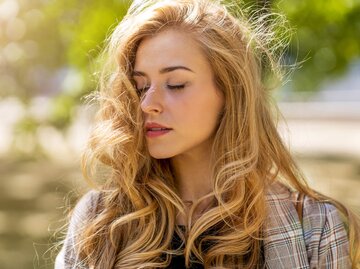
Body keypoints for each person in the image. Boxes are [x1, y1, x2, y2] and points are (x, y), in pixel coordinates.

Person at [55, 0, 360, 268]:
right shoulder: (100, 219)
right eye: (140, 86)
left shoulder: (315, 225)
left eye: (175, 84)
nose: (147, 104)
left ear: (229, 91)